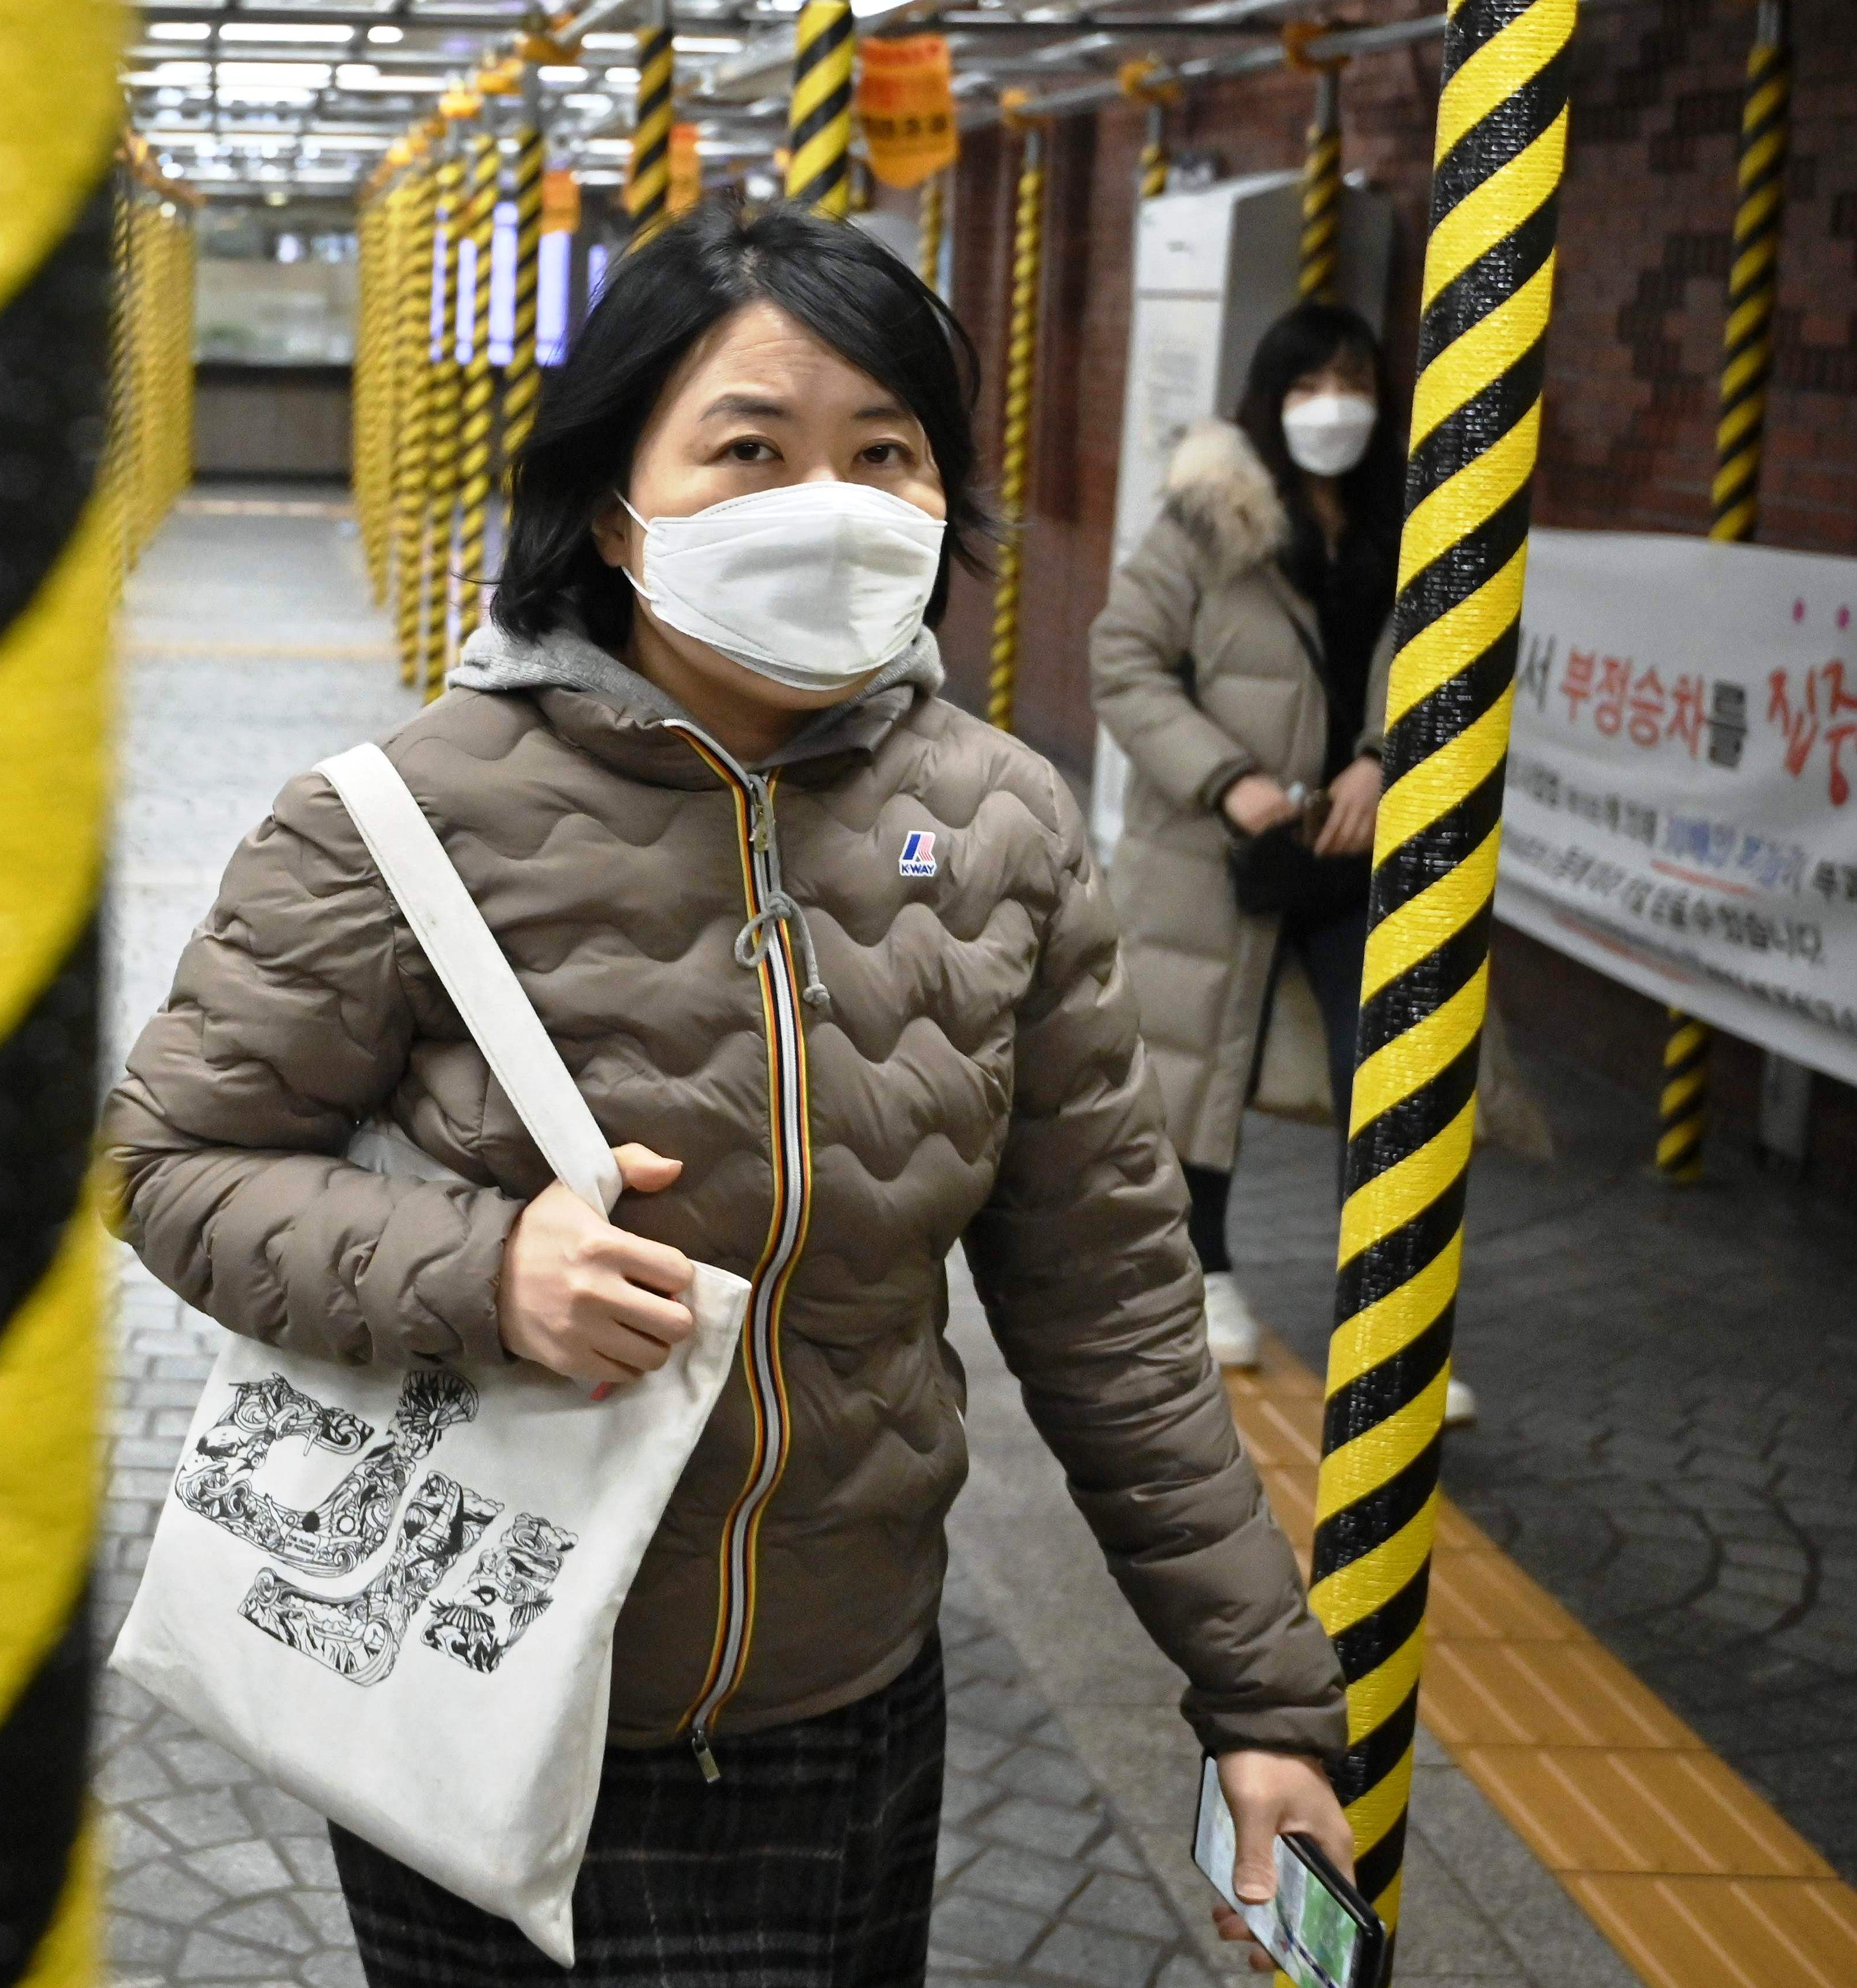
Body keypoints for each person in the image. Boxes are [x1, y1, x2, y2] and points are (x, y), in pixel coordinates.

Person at [103, 200, 1348, 1987]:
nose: (824, 506)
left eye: (882, 455)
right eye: (749, 449)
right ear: (615, 503)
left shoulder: (1000, 831)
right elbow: (172, 1159)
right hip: (476, 1671)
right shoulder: (397, 817)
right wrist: (484, 1274)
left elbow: (1116, 1311)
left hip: (833, 1706)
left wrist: (1259, 1694)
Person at [1087, 303, 1474, 1425]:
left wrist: (1376, 763)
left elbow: (1441, 658)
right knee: (1199, 1059)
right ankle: (1202, 1274)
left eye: (1350, 382)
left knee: (1391, 1072)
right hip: (1227, 844)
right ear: (1269, 401)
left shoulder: (1421, 517)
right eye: (1305, 388)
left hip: (1364, 847)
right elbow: (1124, 659)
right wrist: (1227, 778)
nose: (1330, 409)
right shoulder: (1209, 522)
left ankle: (1395, 1323)